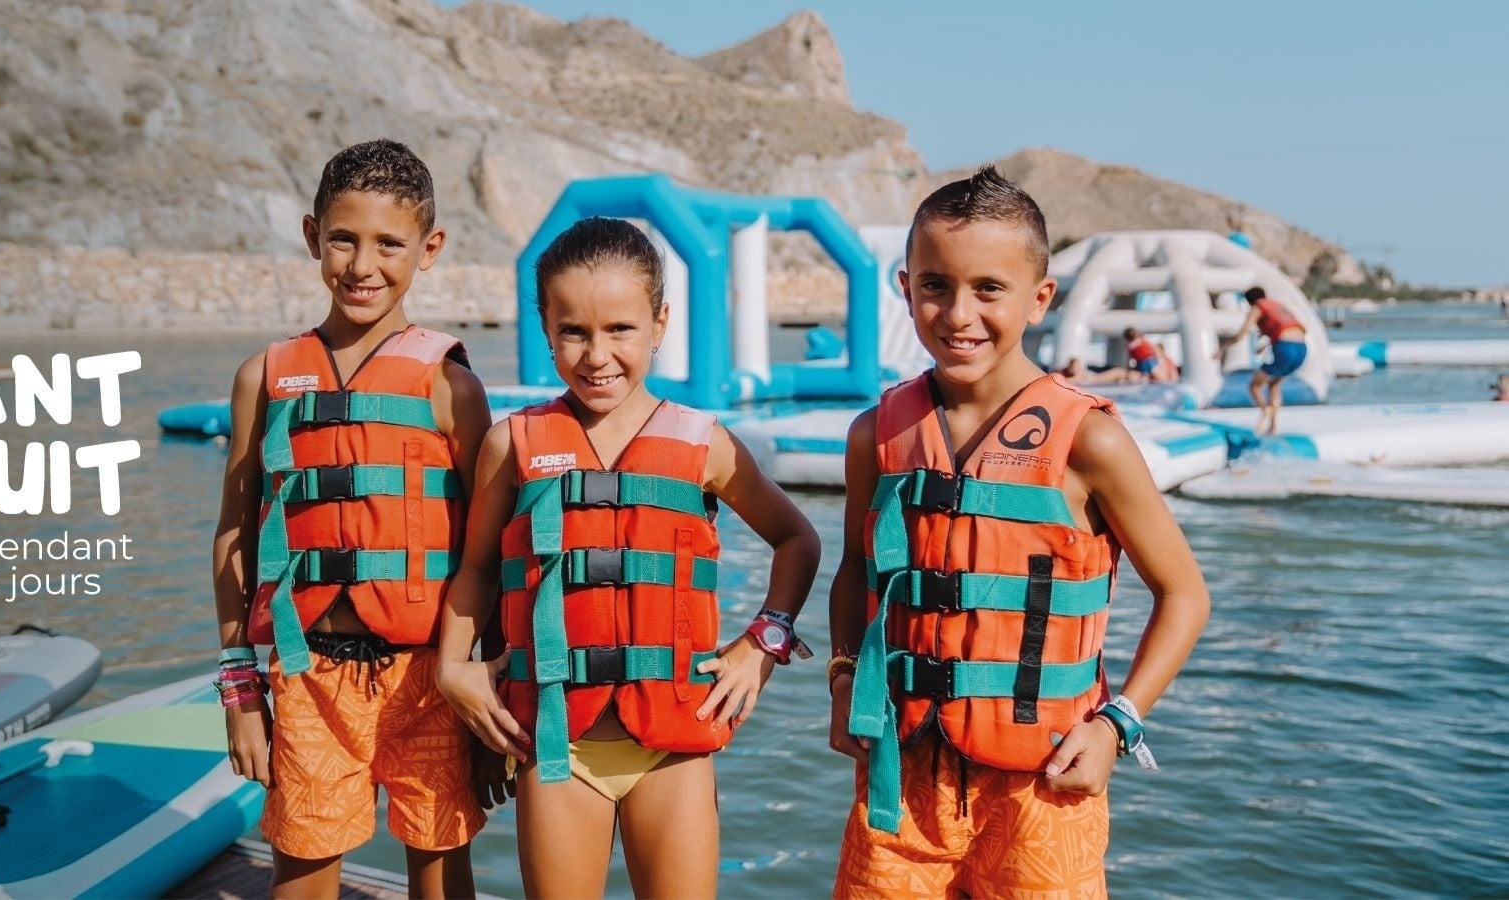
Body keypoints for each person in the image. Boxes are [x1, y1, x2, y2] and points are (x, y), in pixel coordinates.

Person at [828, 166, 1210, 897]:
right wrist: (843, 677)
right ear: (905, 288)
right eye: (935, 285)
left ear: (1040, 299)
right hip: (899, 782)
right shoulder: (874, 434)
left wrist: (1117, 724)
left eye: (988, 289)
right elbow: (854, 566)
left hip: (1045, 789)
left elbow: (1184, 593)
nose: (958, 313)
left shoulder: (1088, 442)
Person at [435, 217, 821, 898]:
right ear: (545, 329)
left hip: (674, 747)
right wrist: (452, 668)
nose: (596, 355)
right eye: (573, 331)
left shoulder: (705, 444)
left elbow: (798, 539)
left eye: (620, 329)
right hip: (557, 747)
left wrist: (764, 641)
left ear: (659, 322)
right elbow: (478, 572)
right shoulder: (511, 445)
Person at [211, 139, 496, 899]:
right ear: (313, 237)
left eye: (388, 244)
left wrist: (491, 687)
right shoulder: (262, 378)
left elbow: (489, 547)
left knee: (442, 877)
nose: (362, 265)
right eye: (343, 239)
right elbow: (236, 535)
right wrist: (241, 690)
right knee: (300, 878)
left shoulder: (452, 387)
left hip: (430, 678)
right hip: (306, 677)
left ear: (429, 250)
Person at [1216, 286, 1308, 434]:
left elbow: (1241, 334)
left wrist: (1223, 348)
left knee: (1254, 385)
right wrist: (1268, 346)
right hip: (1302, 349)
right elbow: (1293, 330)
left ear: (1249, 301)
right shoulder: (1279, 307)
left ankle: (1265, 410)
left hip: (1285, 348)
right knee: (1273, 383)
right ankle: (1273, 427)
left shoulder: (1257, 307)